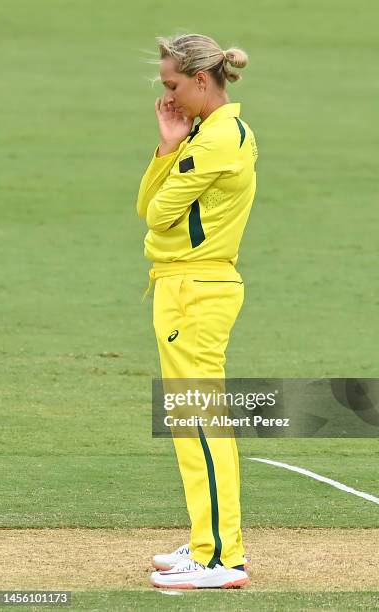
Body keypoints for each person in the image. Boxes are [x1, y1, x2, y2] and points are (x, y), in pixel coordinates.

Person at [136, 33, 258, 589]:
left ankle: (220, 560)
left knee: (201, 424)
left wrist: (175, 154)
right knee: (190, 424)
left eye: (173, 86)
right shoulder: (202, 133)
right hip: (185, 285)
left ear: (202, 80)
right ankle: (207, 543)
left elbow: (158, 216)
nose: (168, 98)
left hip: (197, 288)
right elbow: (148, 206)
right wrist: (166, 147)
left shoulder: (217, 140)